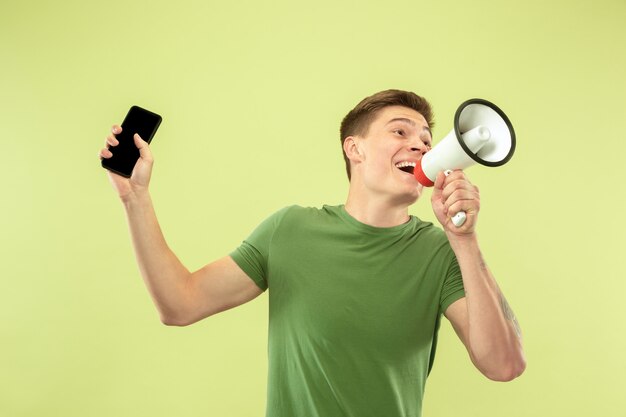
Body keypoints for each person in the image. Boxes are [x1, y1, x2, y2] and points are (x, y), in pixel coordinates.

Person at [99, 89, 525, 417]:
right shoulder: (290, 230)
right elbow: (179, 303)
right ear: (353, 148)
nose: (420, 146)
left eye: (427, 140)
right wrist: (135, 199)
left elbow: (504, 366)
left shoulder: (440, 251)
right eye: (400, 131)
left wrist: (465, 243)